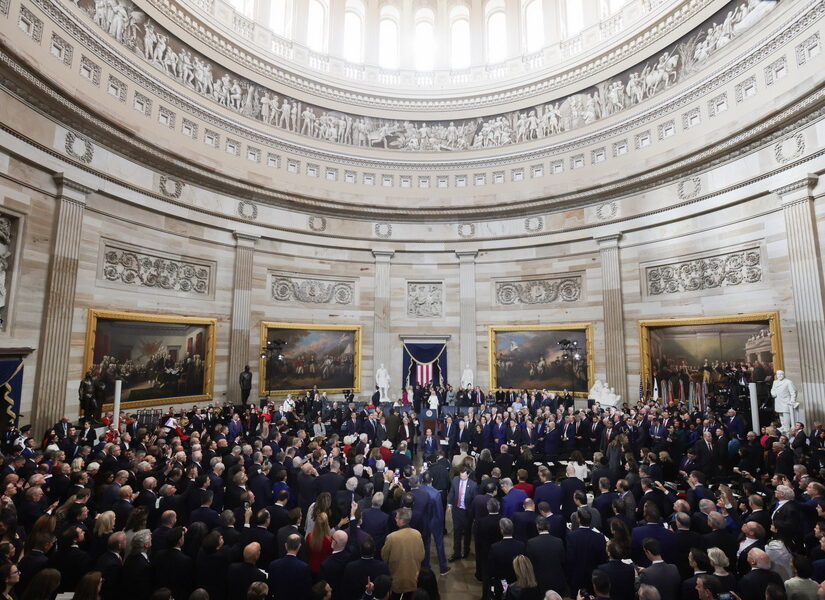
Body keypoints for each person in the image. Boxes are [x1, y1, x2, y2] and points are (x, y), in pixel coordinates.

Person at [381, 507, 425, 596]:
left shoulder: (391, 537)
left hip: (397, 580)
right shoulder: (417, 534)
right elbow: (422, 555)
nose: (395, 519)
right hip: (414, 579)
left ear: (401, 521)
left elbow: (384, 557)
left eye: (396, 517)